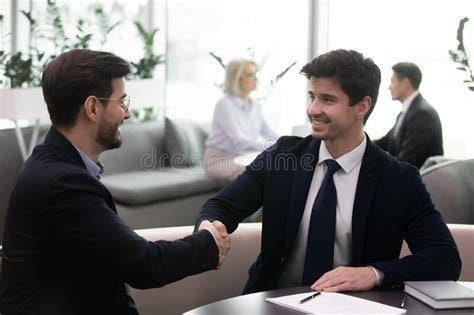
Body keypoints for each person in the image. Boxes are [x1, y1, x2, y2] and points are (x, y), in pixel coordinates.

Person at [196, 49, 460, 294]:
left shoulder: (398, 179)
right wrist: (209, 227)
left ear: (362, 106)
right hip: (272, 303)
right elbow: (221, 206)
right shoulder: (283, 157)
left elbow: (445, 258)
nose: (312, 109)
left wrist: (374, 273)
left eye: (327, 99)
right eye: (312, 96)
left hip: (356, 309)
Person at [0, 49, 230, 315]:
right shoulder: (62, 184)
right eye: (121, 102)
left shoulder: (53, 166)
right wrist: (208, 244)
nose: (128, 113)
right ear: (93, 108)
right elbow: (144, 266)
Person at [205, 58, 279, 182]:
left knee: (278, 168)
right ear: (236, 78)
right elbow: (238, 141)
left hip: (242, 157)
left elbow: (268, 132)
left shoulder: (254, 105)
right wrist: (272, 146)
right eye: (250, 75)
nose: (256, 78)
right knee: (258, 173)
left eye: (255, 74)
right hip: (220, 161)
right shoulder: (224, 104)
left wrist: (288, 142)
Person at [374, 62, 443, 168]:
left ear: (405, 83)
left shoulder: (421, 114)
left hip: (421, 181)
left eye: (392, 81)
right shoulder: (408, 112)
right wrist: (359, 146)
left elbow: (408, 160)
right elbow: (386, 142)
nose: (389, 87)